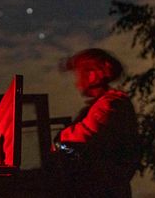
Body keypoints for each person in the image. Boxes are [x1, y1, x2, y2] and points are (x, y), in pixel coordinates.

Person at [52, 48, 140, 198]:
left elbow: (80, 140)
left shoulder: (111, 106)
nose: (77, 81)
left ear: (93, 74)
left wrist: (58, 143)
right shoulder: (99, 107)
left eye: (80, 73)